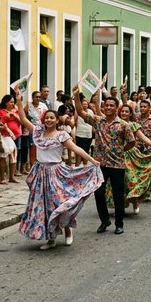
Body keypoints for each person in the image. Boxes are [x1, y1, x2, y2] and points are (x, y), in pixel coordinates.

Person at [17, 94, 102, 250]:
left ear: (57, 121)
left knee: (60, 203)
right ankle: (50, 239)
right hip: (41, 172)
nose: (49, 120)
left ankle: (68, 230)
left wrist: (92, 160)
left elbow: (75, 148)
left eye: (52, 118)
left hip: (56, 172)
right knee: (44, 205)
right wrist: (18, 100)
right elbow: (23, 119)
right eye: (47, 118)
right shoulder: (37, 132)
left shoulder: (61, 135)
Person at [73, 87, 134, 235]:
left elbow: (131, 142)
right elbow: (81, 112)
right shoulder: (98, 121)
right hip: (99, 164)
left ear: (116, 108)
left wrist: (119, 151)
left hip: (117, 165)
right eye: (106, 105)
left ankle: (119, 224)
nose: (108, 108)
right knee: (98, 194)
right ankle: (104, 220)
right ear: (103, 107)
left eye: (111, 105)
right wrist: (76, 96)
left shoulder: (123, 125)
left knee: (118, 195)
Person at [0, 94, 21, 184]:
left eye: (13, 102)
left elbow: (21, 120)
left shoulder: (15, 111)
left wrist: (14, 115)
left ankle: (11, 176)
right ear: (6, 103)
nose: (12, 104)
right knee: (4, 155)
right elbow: (0, 123)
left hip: (12, 136)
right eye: (11, 102)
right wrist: (7, 115)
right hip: (3, 136)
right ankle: (2, 177)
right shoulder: (1, 112)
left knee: (13, 154)